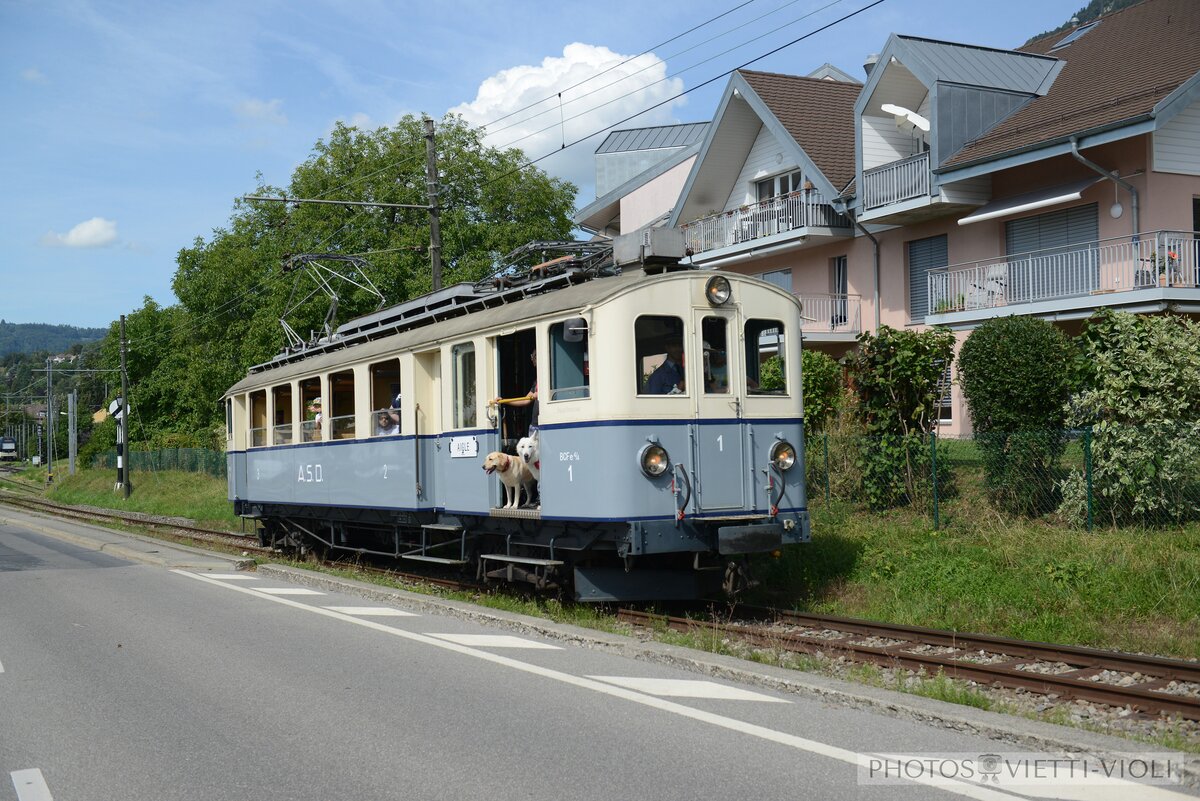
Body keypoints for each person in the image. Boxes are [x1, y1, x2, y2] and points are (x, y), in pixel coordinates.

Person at [496, 349, 539, 432]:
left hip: (543, 424)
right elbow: (525, 400)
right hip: (534, 426)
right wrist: (504, 401)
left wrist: (540, 394)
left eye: (534, 357)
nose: (532, 361)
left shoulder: (551, 376)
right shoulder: (537, 381)